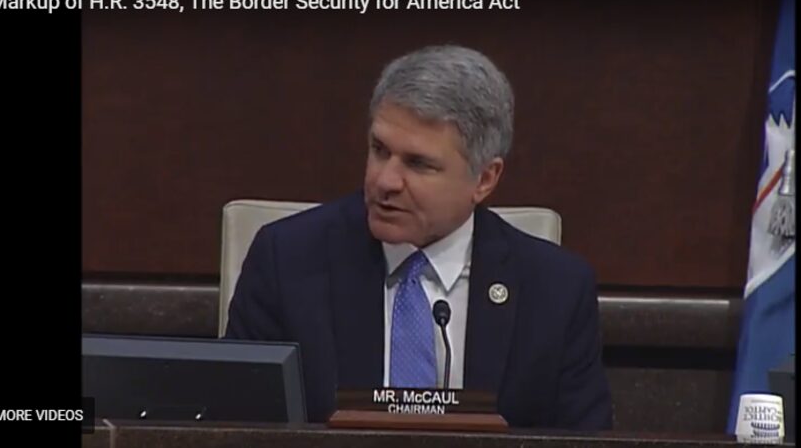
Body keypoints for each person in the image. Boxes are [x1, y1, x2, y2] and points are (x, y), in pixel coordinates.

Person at [225, 45, 612, 429]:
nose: (385, 181)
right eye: (379, 150)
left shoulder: (556, 289)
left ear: (485, 179)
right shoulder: (287, 261)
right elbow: (234, 429)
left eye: (418, 163)